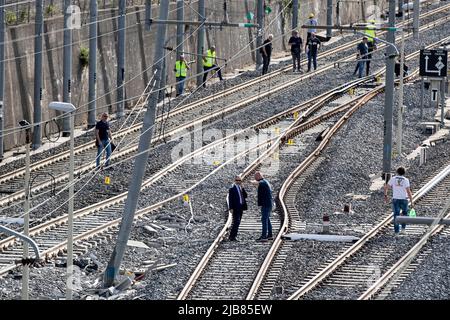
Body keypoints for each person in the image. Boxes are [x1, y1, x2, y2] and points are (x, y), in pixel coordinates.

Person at [384, 167, 414, 235]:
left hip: (395, 199)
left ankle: (396, 231)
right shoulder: (406, 180)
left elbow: (386, 187)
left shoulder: (393, 179)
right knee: (404, 214)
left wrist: (385, 195)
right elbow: (408, 191)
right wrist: (412, 202)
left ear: (397, 172)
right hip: (404, 199)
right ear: (404, 173)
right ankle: (403, 229)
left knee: (396, 215)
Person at [228, 175, 248, 241]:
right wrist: (231, 208)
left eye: (240, 180)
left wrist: (243, 188)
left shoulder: (240, 188)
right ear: (235, 181)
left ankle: (233, 236)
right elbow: (230, 199)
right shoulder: (232, 188)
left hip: (241, 207)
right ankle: (232, 236)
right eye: (237, 180)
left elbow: (246, 196)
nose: (238, 182)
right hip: (235, 208)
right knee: (236, 221)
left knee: (238, 222)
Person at [255, 171, 273, 242]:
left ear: (259, 176)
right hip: (267, 204)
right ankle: (270, 235)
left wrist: (254, 182)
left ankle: (264, 236)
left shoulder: (263, 182)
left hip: (266, 204)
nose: (255, 178)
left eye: (255, 177)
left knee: (264, 220)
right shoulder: (265, 182)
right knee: (267, 219)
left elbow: (260, 183)